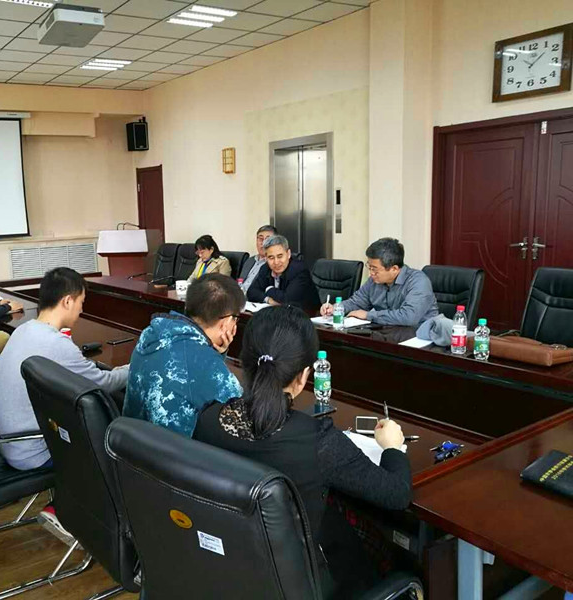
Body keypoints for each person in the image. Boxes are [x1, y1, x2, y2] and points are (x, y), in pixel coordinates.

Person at [193, 306, 411, 595]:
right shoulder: (318, 441)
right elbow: (397, 494)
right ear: (305, 375)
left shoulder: (207, 420)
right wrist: (393, 447)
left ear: (244, 362)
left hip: (224, 575)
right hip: (299, 585)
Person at [0, 267, 129, 471]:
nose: (81, 310)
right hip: (32, 453)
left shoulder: (24, 330)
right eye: (81, 302)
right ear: (68, 301)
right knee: (114, 444)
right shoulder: (56, 344)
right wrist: (134, 368)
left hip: (8, 443)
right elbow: (105, 383)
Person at [123, 273, 245, 437]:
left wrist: (216, 354)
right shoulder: (205, 363)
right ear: (226, 322)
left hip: (130, 442)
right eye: (236, 318)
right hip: (170, 451)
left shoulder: (151, 333)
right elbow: (242, 413)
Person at [319, 237, 439, 326]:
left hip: (420, 339)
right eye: (369, 267)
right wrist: (337, 308)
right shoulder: (374, 280)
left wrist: (368, 315)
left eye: (374, 269)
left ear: (394, 269)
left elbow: (408, 317)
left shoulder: (418, 281)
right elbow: (357, 302)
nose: (371, 273)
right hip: (388, 334)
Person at [246, 234, 321, 310]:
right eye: (271, 257)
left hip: (305, 315)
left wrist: (269, 289)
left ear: (288, 254)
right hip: (279, 313)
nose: (276, 262)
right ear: (266, 258)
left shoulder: (299, 270)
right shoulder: (265, 268)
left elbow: (287, 300)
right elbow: (251, 292)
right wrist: (268, 300)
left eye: (280, 256)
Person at [239, 224, 277, 293]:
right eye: (260, 239)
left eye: (268, 239)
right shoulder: (249, 260)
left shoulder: (275, 264)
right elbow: (240, 281)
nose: (263, 243)